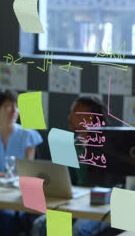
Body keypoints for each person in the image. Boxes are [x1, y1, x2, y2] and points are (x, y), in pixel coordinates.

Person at [31, 96, 110, 236]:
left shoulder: (109, 146)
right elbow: (66, 184)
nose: (69, 117)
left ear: (90, 117)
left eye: (74, 112)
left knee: (77, 231)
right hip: (75, 204)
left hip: (102, 206)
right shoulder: (70, 145)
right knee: (40, 226)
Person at [0, 89, 43, 235]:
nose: (14, 110)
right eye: (8, 106)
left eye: (17, 106)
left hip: (18, 197)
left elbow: (27, 174)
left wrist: (0, 175)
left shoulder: (28, 135)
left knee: (5, 220)